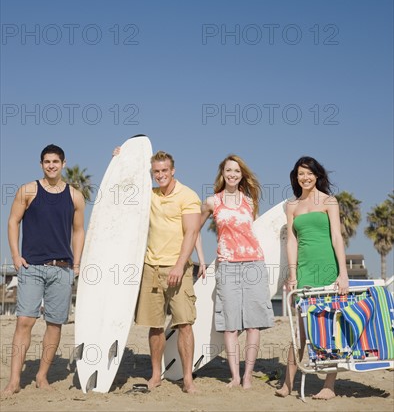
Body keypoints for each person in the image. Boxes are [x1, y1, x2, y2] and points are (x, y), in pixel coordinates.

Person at [113, 147, 202, 393]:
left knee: (184, 324)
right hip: (151, 267)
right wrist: (122, 159)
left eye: (164, 170)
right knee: (155, 325)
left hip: (178, 268)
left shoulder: (188, 195)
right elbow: (122, 189)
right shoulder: (149, 195)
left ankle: (187, 379)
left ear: (173, 171)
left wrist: (178, 265)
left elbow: (192, 233)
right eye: (156, 171)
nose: (160, 175)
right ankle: (156, 375)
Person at [1, 144, 85, 396]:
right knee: (24, 321)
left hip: (61, 268)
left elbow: (79, 230)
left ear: (63, 163)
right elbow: (13, 221)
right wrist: (16, 255)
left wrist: (77, 264)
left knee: (55, 324)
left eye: (55, 161)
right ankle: (14, 380)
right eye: (47, 161)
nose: (51, 165)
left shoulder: (74, 196)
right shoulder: (28, 190)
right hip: (32, 267)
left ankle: (41, 376)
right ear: (41, 164)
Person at [275, 156, 349, 400]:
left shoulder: (329, 201)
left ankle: (329, 386)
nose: (304, 178)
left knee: (329, 326)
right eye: (300, 174)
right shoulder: (292, 206)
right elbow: (292, 241)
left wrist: (343, 273)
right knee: (301, 331)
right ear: (295, 178)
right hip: (305, 270)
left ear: (317, 175)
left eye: (308, 173)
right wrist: (293, 273)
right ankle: (287, 383)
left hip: (327, 268)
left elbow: (337, 237)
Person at [199, 154, 274, 389]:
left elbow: (258, 230)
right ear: (222, 173)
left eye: (237, 171)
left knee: (253, 324)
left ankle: (248, 376)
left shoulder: (250, 201)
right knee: (230, 325)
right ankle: (234, 376)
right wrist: (201, 260)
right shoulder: (212, 201)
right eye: (229, 170)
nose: (232, 174)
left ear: (242, 175)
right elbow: (192, 230)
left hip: (254, 264)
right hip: (227, 266)